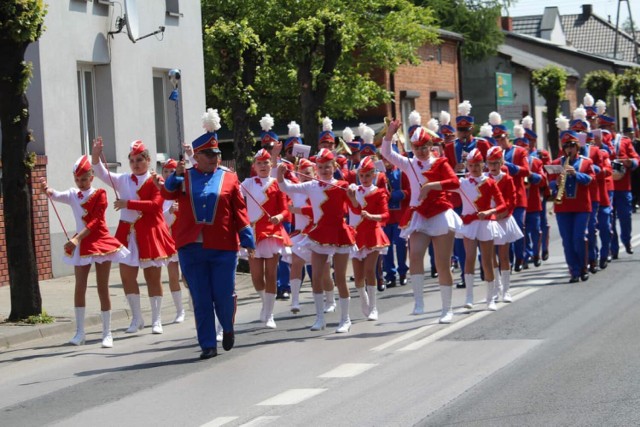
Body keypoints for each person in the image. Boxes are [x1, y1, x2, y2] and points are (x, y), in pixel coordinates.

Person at [159, 108, 255, 360]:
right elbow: (167, 194)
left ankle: (228, 326)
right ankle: (207, 344)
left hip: (223, 245)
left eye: (217, 154)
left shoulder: (230, 178)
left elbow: (240, 212)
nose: (214, 158)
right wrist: (175, 176)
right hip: (191, 246)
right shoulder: (185, 176)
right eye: (209, 154)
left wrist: (247, 238)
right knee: (201, 298)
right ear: (197, 156)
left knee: (223, 294)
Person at [40, 156, 129, 348]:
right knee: (79, 286)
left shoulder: (100, 194)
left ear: (92, 177)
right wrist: (46, 188)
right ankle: (80, 333)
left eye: (84, 179)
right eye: (77, 179)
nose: (81, 183)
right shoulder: (73, 194)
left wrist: (77, 238)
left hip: (99, 241)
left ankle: (107, 333)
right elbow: (56, 195)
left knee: (102, 287)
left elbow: (96, 222)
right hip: (81, 243)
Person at [92, 138, 177, 335]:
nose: (135, 163)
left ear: (148, 160)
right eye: (132, 160)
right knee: (127, 277)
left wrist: (127, 203)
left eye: (139, 159)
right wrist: (96, 153)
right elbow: (99, 172)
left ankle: (156, 320)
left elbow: (156, 205)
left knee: (152, 278)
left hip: (150, 232)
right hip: (127, 233)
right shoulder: (122, 179)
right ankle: (137, 318)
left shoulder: (156, 180)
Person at [381, 120, 462, 323]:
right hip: (419, 215)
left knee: (441, 263)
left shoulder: (440, 163)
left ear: (430, 146)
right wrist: (389, 134)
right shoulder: (409, 163)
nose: (420, 151)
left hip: (440, 214)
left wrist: (432, 186)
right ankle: (418, 302)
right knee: (415, 255)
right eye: (416, 148)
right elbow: (387, 154)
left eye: (424, 147)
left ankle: (447, 309)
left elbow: (454, 183)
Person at [277, 148, 356, 333]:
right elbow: (286, 188)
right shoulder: (311, 186)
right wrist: (280, 176)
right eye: (320, 167)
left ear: (334, 166)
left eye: (327, 167)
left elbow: (356, 208)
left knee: (341, 279)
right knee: (317, 277)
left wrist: (352, 196)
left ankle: (345, 319)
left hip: (339, 233)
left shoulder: (343, 185)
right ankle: (320, 318)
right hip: (320, 233)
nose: (323, 170)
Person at [241, 148, 291, 329]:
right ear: (254, 166)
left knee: (271, 273)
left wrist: (279, 217)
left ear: (272, 164)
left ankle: (269, 314)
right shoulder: (247, 183)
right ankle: (265, 302)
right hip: (253, 233)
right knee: (256, 276)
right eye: (259, 163)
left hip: (272, 232)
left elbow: (285, 209)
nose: (263, 166)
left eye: (266, 162)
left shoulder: (278, 183)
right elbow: (232, 196)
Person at [454, 148, 505, 311]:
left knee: (487, 260)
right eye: (471, 165)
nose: (474, 168)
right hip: (469, 224)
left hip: (485, 223)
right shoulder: (461, 183)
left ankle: (491, 298)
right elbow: (443, 184)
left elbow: (502, 203)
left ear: (483, 165)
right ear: (467, 166)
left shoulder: (489, 182)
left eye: (477, 165)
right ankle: (469, 296)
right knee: (469, 258)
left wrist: (489, 211)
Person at [549, 119, 596, 283]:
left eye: (572, 145)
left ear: (577, 146)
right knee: (567, 241)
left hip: (582, 206)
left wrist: (575, 174)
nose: (570, 149)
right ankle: (573, 271)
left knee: (579, 237)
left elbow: (590, 179)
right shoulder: (556, 164)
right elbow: (550, 184)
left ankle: (583, 267)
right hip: (563, 208)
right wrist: (556, 183)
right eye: (567, 146)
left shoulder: (586, 162)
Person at [346, 156, 390, 321]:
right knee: (358, 277)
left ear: (373, 175)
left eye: (367, 175)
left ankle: (373, 307)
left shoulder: (379, 193)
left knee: (370, 270)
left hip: (373, 233)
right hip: (357, 235)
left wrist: (372, 216)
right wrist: (351, 197)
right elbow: (355, 210)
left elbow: (386, 214)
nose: (364, 179)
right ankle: (364, 300)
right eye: (362, 175)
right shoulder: (354, 190)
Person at [597, 103, 640, 258]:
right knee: (609, 218)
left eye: (607, 127)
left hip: (623, 185)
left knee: (625, 216)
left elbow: (636, 158)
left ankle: (627, 240)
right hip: (607, 186)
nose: (605, 130)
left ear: (612, 127)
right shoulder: (599, 144)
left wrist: (630, 162)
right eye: (602, 127)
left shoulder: (624, 141)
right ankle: (613, 248)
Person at [489, 112, 530, 272]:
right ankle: (508, 260)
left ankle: (520, 257)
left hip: (517, 197)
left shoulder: (519, 152)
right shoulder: (493, 154)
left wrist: (508, 166)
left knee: (518, 227)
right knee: (501, 231)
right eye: (497, 139)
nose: (500, 142)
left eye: (502, 138)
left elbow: (526, 171)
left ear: (508, 137)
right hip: (498, 200)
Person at [486, 146, 524, 303]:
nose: (493, 167)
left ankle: (506, 290)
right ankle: (497, 286)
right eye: (490, 163)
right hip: (489, 220)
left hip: (503, 218)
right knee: (490, 255)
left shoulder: (507, 179)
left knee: (503, 255)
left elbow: (512, 199)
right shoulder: (484, 178)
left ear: (502, 162)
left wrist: (502, 212)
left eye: (496, 163)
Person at [160, 159, 186, 323]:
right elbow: (159, 219)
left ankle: (193, 299)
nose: (169, 175)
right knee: (172, 275)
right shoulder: (162, 194)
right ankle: (179, 310)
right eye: (166, 172)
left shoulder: (184, 191)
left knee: (188, 276)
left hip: (184, 238)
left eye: (172, 171)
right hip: (168, 239)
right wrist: (168, 211)